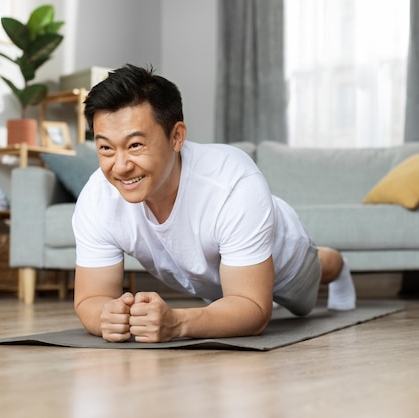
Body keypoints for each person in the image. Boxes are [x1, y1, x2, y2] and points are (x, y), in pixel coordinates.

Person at [73, 64, 356, 343]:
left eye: (135, 145)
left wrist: (177, 323)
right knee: (224, 301)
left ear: (176, 137)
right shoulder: (97, 198)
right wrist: (106, 316)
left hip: (285, 257)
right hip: (214, 278)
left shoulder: (233, 184)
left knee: (309, 289)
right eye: (106, 148)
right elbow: (90, 299)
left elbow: (254, 309)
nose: (120, 167)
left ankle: (336, 263)